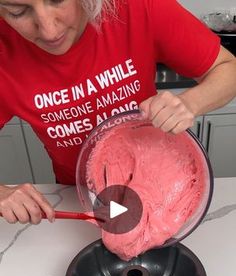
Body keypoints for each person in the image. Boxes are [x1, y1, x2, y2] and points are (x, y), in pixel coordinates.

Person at [0, 0, 235, 225]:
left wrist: (190, 103)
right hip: (81, 200)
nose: (49, 30)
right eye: (18, 11)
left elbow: (228, 70)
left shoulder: (136, 6)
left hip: (165, 189)